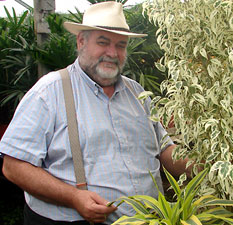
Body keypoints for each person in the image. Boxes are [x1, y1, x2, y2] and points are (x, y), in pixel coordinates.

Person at [0, 2, 188, 224]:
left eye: (121, 45)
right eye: (103, 42)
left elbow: (165, 148)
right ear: (81, 41)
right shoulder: (49, 92)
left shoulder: (136, 92)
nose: (112, 52)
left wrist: (207, 166)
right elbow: (13, 167)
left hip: (149, 219)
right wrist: (73, 197)